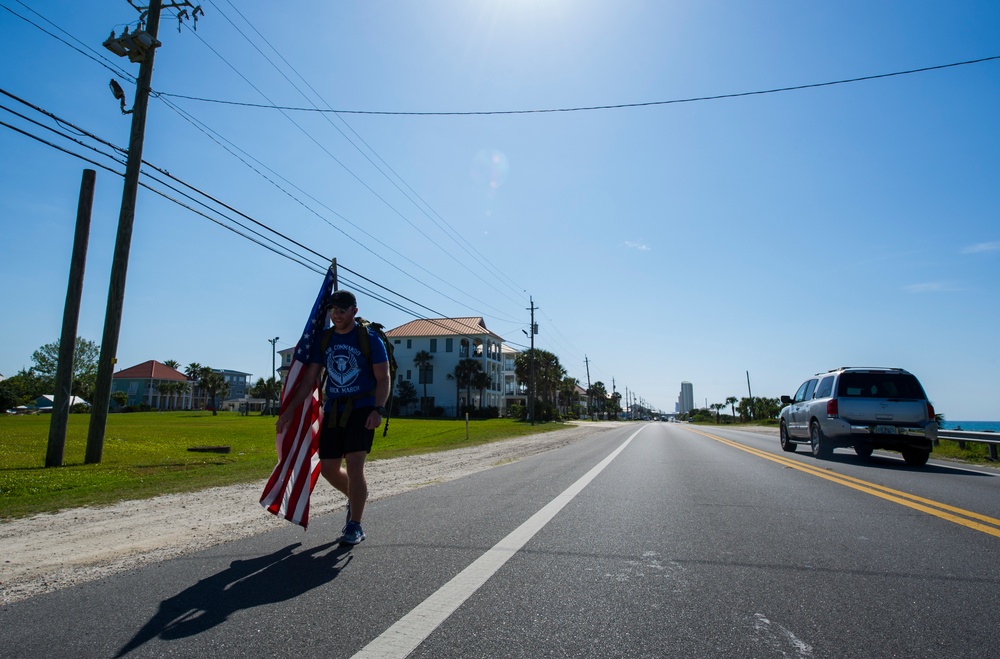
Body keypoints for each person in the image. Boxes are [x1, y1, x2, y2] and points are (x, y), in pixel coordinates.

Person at [275, 289, 390, 546]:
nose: (336, 315)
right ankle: (355, 497)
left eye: (341, 310)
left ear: (354, 311)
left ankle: (355, 525)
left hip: (362, 408)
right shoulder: (325, 340)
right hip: (334, 410)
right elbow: (309, 380)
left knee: (354, 464)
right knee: (328, 469)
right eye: (332, 310)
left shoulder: (369, 339)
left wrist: (377, 409)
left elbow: (383, 378)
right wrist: (291, 408)